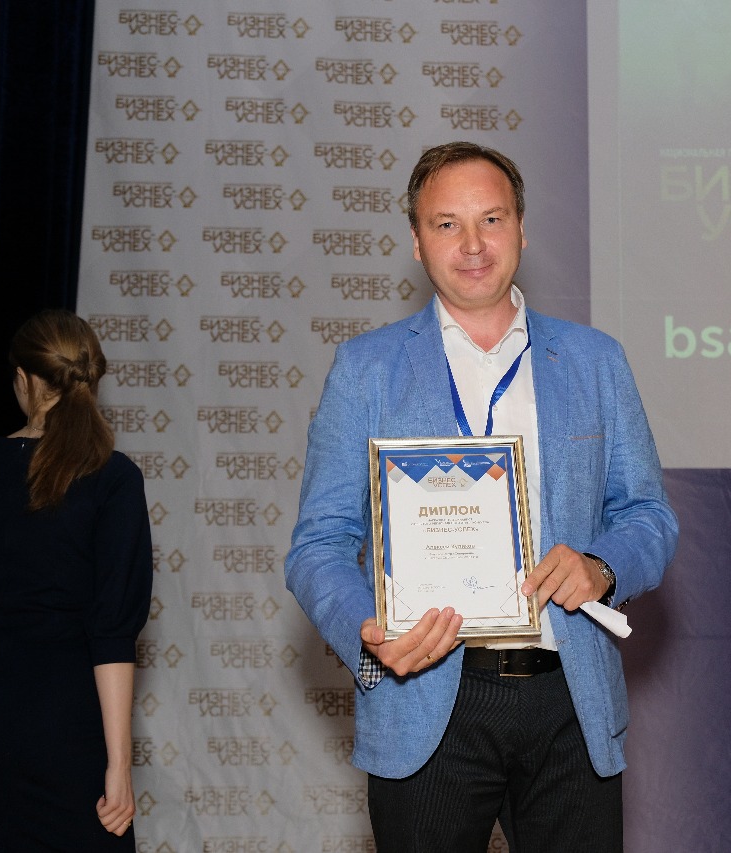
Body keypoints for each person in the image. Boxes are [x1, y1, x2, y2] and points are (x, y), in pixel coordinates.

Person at [285, 141, 679, 852]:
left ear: (522, 229)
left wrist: (602, 566)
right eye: (447, 224)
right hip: (425, 697)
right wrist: (371, 634)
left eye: (491, 219)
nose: (472, 244)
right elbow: (318, 545)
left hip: (570, 699)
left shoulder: (595, 361)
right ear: (416, 241)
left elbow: (648, 515)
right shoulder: (366, 369)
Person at [0, 308, 153, 850]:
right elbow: (112, 632)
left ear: (24, 379)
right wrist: (120, 764)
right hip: (66, 727)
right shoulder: (114, 478)